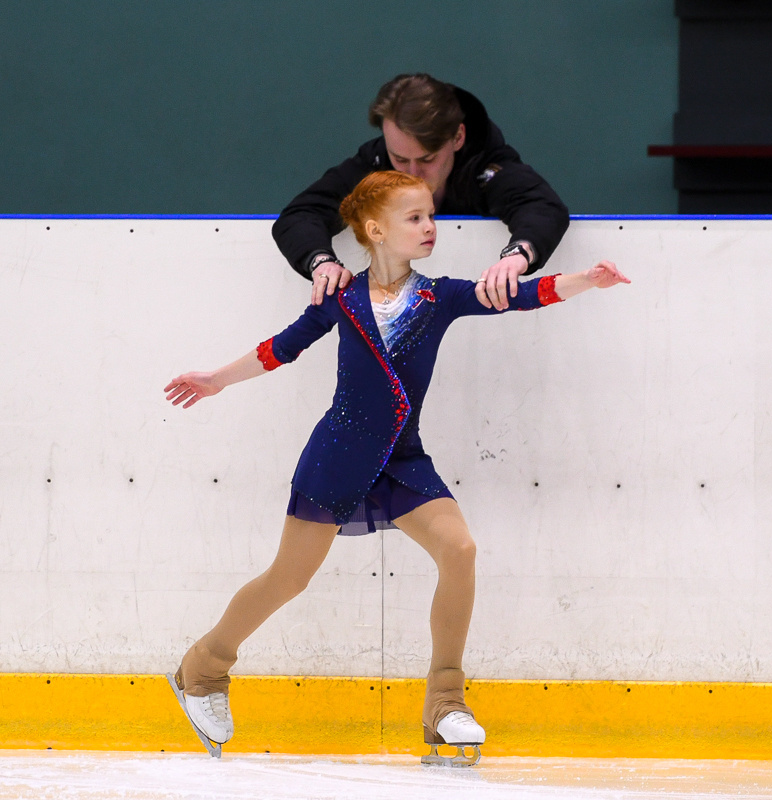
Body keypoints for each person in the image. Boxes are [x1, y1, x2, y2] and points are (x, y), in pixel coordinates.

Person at [164, 171, 629, 764]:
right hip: (337, 453)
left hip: (404, 459)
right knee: (289, 578)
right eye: (415, 219)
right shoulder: (341, 297)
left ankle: (445, 702)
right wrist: (214, 381)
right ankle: (202, 670)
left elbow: (521, 295)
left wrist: (586, 280)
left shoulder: (440, 297)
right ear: (375, 229)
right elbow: (280, 347)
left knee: (458, 550)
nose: (430, 227)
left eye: (431, 216)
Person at [271, 73, 570, 312]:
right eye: (399, 159)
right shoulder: (375, 165)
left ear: (458, 137)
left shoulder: (487, 163)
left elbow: (541, 207)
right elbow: (301, 214)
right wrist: (321, 261)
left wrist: (518, 254)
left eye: (427, 159)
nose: (410, 174)